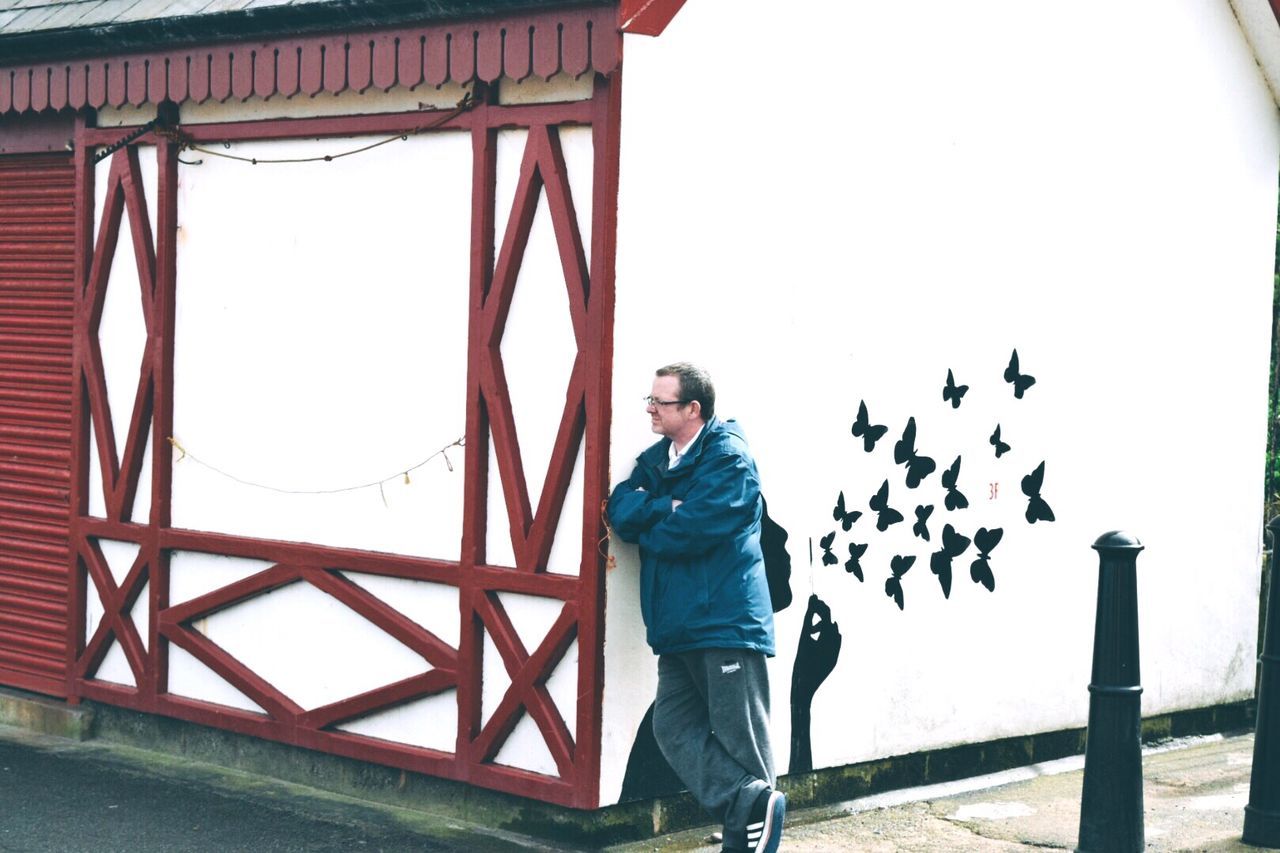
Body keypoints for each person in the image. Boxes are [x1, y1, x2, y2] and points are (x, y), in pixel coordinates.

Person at [607, 362, 785, 853]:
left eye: (660, 402)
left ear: (692, 408)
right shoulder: (660, 460)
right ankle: (744, 804)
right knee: (671, 725)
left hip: (723, 621)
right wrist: (666, 508)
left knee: (739, 733)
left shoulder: (728, 459)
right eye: (650, 399)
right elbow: (619, 509)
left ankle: (752, 834)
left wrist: (658, 520)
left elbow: (695, 531)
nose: (650, 409)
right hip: (677, 625)